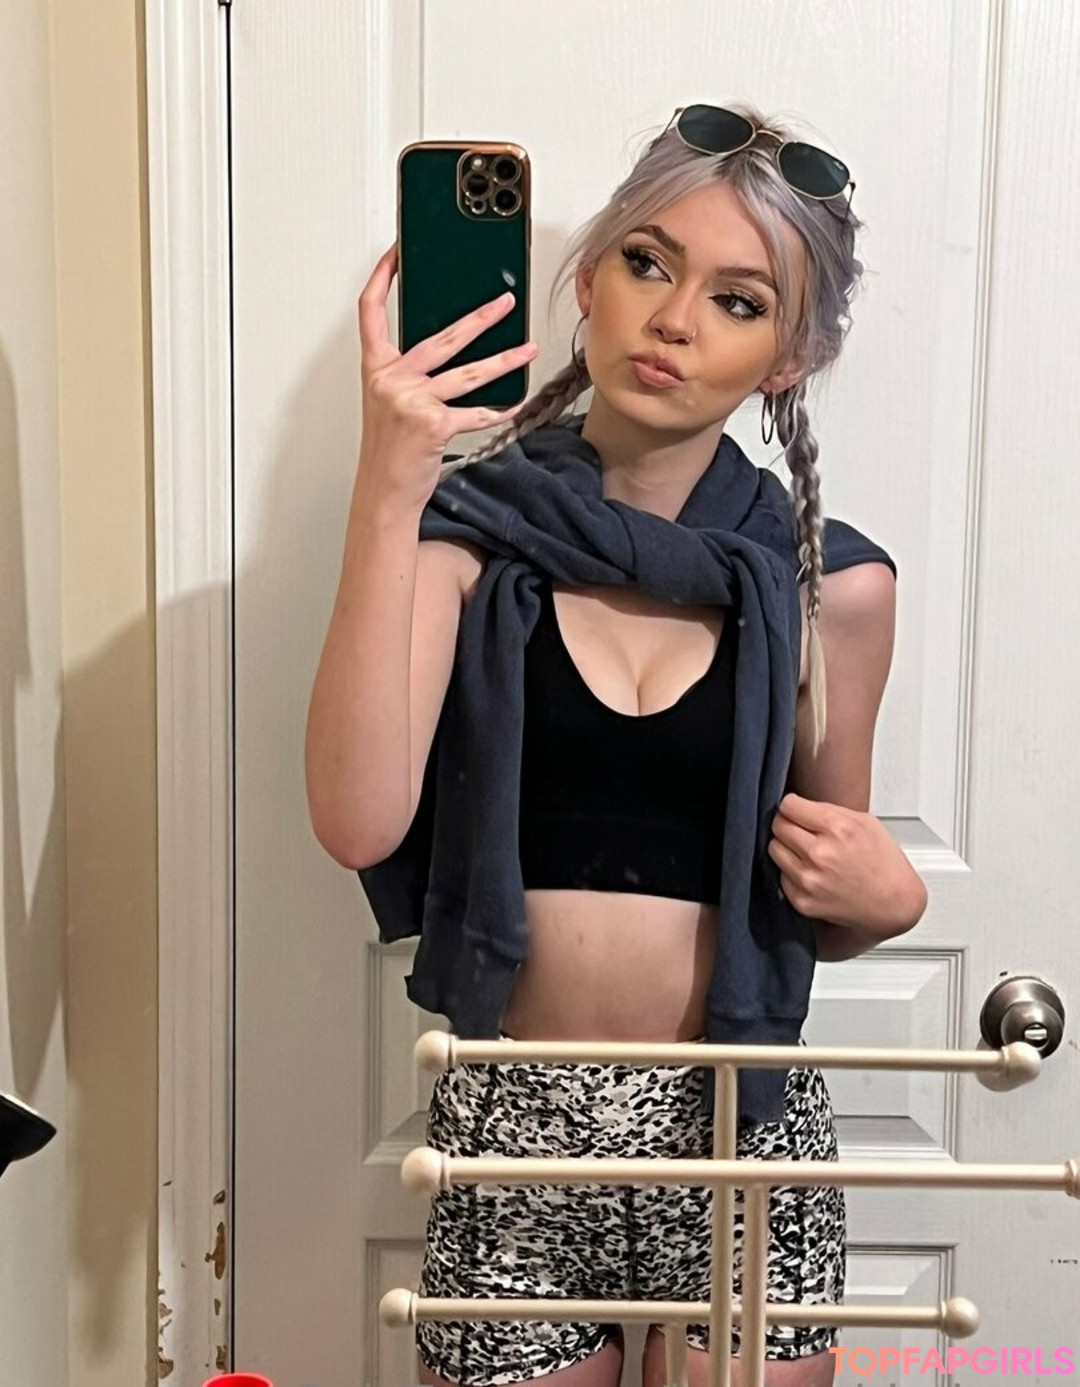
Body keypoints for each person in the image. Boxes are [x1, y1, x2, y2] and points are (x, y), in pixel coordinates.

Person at [306, 100, 928, 1387]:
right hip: (516, 1122)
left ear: (789, 357)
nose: (675, 318)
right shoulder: (464, 538)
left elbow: (825, 884)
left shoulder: (832, 587)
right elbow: (357, 820)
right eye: (649, 262)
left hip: (740, 1124)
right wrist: (391, 479)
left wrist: (889, 901)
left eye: (738, 300)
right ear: (589, 278)